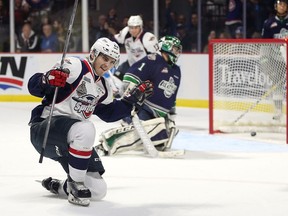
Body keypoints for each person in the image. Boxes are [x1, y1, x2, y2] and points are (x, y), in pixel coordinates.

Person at [27, 37, 153, 206]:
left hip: (71, 138)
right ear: (94, 54)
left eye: (112, 62)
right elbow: (34, 86)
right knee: (86, 128)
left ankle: (58, 186)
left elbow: (109, 113)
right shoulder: (75, 66)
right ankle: (76, 184)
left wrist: (132, 101)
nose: (107, 65)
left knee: (98, 190)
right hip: (45, 129)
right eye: (104, 58)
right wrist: (47, 79)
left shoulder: (104, 87)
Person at [96, 36, 182, 156]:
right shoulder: (153, 60)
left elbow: (173, 96)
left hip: (161, 115)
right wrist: (127, 97)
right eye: (175, 49)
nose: (177, 53)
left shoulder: (176, 70)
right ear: (166, 47)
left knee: (164, 135)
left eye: (178, 50)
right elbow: (131, 76)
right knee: (151, 130)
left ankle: (134, 130)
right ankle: (107, 143)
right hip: (143, 109)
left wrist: (171, 116)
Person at [261, 0, 288, 120]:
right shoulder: (269, 23)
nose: (282, 6)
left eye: (284, 4)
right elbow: (265, 44)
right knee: (277, 84)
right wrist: (265, 59)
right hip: (276, 59)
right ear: (276, 6)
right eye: (280, 4)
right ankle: (278, 110)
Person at [112, 15, 159, 81]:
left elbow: (157, 57)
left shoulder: (148, 38)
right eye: (131, 27)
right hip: (130, 64)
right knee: (115, 79)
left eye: (136, 27)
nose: (133, 30)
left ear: (140, 27)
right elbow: (114, 41)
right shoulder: (125, 32)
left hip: (145, 68)